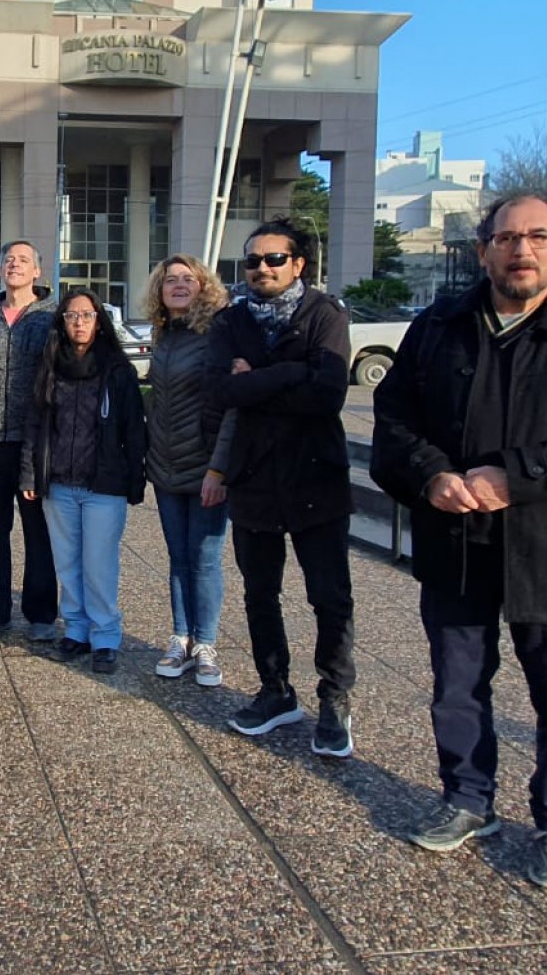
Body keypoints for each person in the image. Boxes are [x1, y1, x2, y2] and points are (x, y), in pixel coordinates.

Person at [371, 192, 547, 893]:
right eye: (505, 239)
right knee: (457, 685)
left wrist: (519, 476)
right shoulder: (439, 327)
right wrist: (430, 474)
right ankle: (468, 798)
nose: (521, 250)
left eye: (537, 237)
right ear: (483, 250)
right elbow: (393, 419)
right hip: (458, 539)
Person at [209, 218, 357, 755]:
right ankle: (275, 689)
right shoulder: (230, 320)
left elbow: (328, 394)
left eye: (274, 259)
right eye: (253, 260)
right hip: (254, 477)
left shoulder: (325, 314)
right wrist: (293, 371)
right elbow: (221, 389)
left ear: (298, 264)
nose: (262, 269)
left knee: (329, 596)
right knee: (259, 593)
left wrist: (257, 378)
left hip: (315, 475)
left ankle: (334, 697)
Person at [22, 288, 147, 674]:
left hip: (103, 486)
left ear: (99, 321)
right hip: (59, 484)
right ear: (62, 321)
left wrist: (135, 479)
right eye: (72, 315)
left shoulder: (117, 370)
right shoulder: (50, 366)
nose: (79, 322)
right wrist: (30, 472)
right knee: (67, 563)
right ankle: (76, 630)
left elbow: (134, 429)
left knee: (99, 565)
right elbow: (35, 424)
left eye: (87, 315)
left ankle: (106, 636)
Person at [0, 240, 60, 642]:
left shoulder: (51, 317)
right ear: (0, 269)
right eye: (8, 260)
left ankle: (41, 614)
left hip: (34, 440)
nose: (14, 265)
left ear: (37, 271)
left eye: (23, 260)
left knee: (39, 531)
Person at [142, 255, 232, 688]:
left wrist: (220, 468)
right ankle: (181, 637)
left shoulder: (217, 334)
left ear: (203, 286)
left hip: (206, 466)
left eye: (187, 279)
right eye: (169, 280)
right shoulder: (164, 335)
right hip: (165, 465)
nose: (178, 285)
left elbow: (230, 405)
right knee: (178, 557)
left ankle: (206, 643)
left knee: (205, 559)